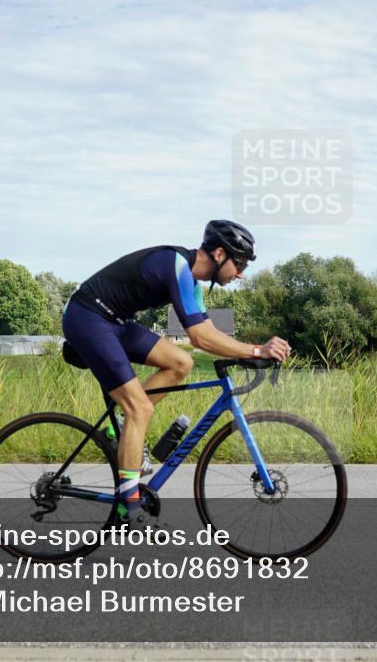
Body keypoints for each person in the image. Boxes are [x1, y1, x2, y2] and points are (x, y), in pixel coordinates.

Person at [62, 220, 291, 527]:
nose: (241, 273)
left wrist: (248, 353)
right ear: (220, 254)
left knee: (181, 363)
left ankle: (121, 429)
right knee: (139, 408)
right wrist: (255, 350)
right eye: (239, 264)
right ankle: (127, 505)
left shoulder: (192, 284)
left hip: (113, 323)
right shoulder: (177, 265)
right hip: (88, 317)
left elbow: (207, 331)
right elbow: (200, 337)